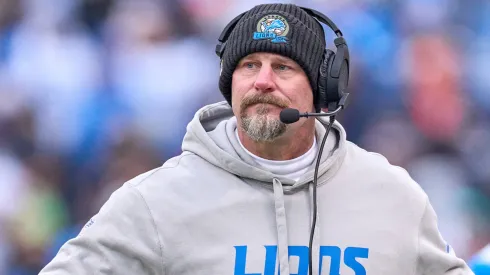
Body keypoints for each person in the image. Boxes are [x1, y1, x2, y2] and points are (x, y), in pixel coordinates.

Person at [39, 3, 474, 275]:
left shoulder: (392, 195)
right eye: (249, 66)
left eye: (283, 67)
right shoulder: (153, 203)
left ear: (323, 89)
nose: (262, 81)